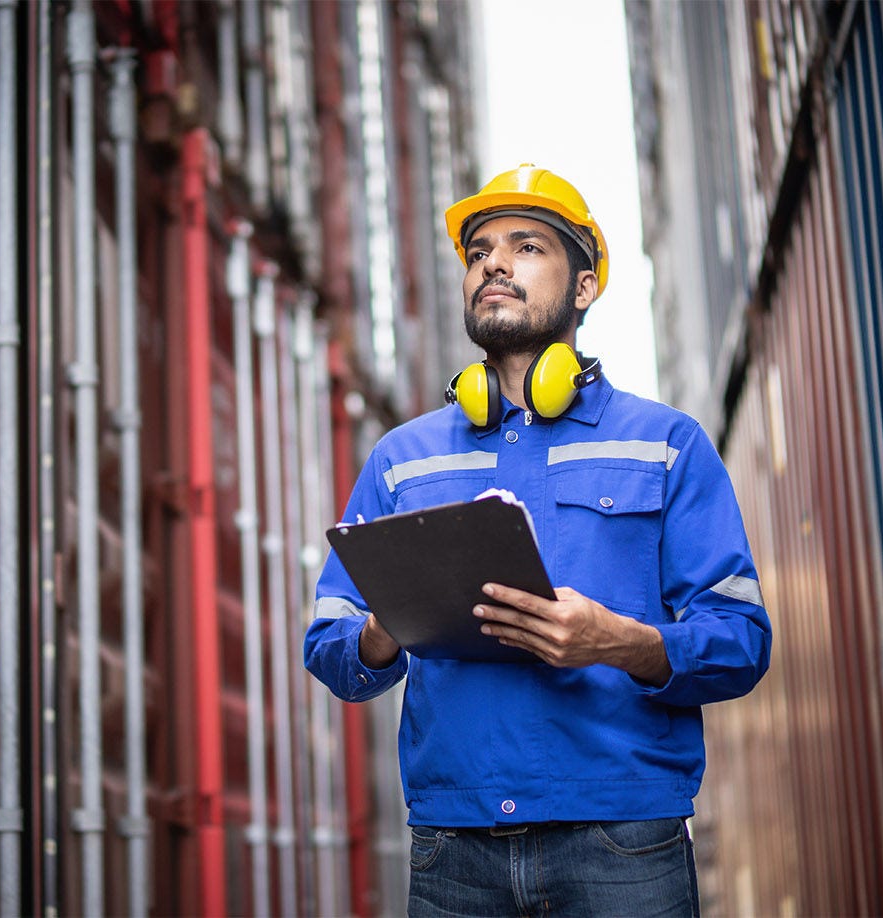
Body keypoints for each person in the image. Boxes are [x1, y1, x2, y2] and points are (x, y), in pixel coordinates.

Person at [302, 164, 771, 916]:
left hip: (623, 845)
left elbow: (742, 641)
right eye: (479, 250)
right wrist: (389, 622)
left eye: (526, 247)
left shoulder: (665, 444)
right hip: (453, 853)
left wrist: (617, 641)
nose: (493, 262)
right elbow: (330, 646)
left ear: (583, 288)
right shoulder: (403, 458)